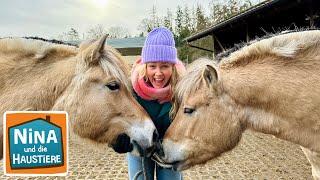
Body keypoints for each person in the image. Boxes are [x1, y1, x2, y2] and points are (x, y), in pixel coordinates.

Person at [112, 27, 185, 180]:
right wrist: (116, 138)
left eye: (164, 66)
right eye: (152, 66)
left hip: (170, 148)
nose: (158, 73)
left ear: (173, 66)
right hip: (140, 148)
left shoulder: (183, 89)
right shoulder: (131, 88)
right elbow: (116, 115)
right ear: (145, 66)